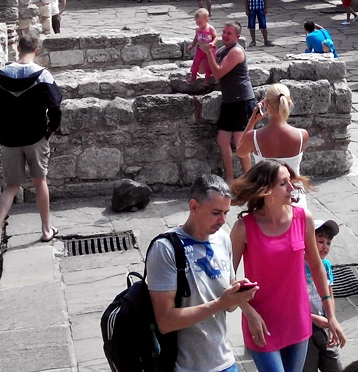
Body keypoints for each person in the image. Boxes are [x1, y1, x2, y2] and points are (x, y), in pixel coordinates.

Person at [230, 159, 345, 371]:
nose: (291, 187)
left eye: (290, 181)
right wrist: (248, 311)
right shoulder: (243, 228)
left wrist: (331, 316)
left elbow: (316, 265)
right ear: (265, 190)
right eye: (283, 183)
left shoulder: (303, 218)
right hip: (261, 322)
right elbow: (227, 275)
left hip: (297, 320)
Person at [146, 175, 257, 372]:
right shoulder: (165, 249)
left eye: (226, 213)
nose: (222, 220)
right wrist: (220, 303)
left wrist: (238, 296)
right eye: (216, 213)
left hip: (225, 362)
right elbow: (165, 321)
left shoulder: (222, 239)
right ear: (194, 207)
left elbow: (228, 307)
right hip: (186, 367)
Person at [0, 33, 62, 261]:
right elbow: (55, 106)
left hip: (9, 139)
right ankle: (46, 230)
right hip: (36, 137)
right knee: (40, 182)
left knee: (11, 186)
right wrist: (50, 129)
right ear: (37, 50)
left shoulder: (0, 75)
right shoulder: (42, 75)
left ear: (18, 48)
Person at [197, 22, 255, 177]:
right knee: (222, 140)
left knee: (240, 141)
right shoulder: (222, 51)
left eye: (229, 33)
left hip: (242, 100)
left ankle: (248, 180)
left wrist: (209, 53)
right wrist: (202, 52)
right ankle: (230, 179)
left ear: (237, 36)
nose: (225, 35)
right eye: (223, 32)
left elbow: (218, 73)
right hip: (229, 100)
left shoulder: (236, 51)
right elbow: (203, 70)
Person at [239, 83, 310, 183]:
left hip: (266, 191)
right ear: (289, 104)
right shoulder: (302, 135)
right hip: (294, 191)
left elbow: (240, 152)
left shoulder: (254, 137)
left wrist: (252, 121)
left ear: (266, 104)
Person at [303, 219, 343, 372]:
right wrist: (313, 318)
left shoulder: (326, 265)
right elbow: (291, 303)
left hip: (324, 323)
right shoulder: (298, 265)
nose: (325, 246)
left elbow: (329, 294)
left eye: (328, 243)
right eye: (320, 241)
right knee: (308, 366)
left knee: (334, 365)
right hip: (305, 326)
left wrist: (332, 319)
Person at [189, 8, 218, 82]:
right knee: (196, 62)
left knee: (209, 64)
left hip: (209, 49)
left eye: (200, 22)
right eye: (196, 22)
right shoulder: (197, 29)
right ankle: (193, 75)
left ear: (207, 20)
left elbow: (216, 37)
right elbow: (196, 38)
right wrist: (192, 45)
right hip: (200, 49)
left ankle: (207, 77)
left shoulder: (210, 28)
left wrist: (212, 43)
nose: (198, 24)